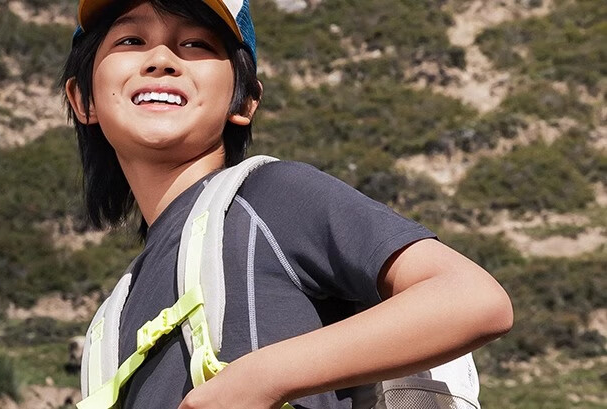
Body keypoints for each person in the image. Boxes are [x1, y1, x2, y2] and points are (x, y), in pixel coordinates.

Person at [60, 0, 514, 408]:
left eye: (196, 44)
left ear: (245, 100)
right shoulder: (112, 319)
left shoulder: (270, 197)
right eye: (131, 40)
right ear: (83, 99)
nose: (161, 60)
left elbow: (472, 299)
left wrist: (260, 379)